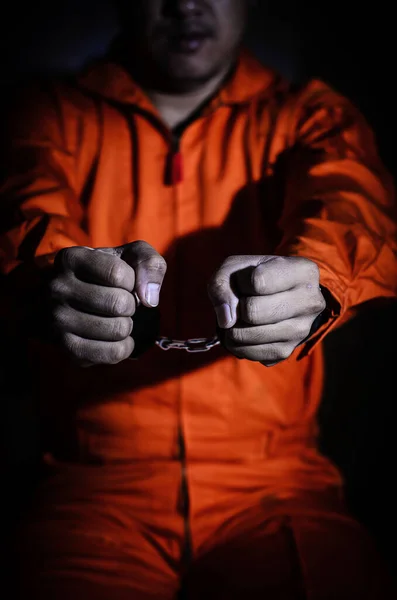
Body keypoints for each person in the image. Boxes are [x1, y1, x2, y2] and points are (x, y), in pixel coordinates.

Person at [1, 0, 396, 598]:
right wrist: (48, 278)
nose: (186, 3)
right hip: (91, 491)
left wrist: (318, 279)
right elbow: (22, 204)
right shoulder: (48, 116)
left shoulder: (311, 118)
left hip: (278, 487)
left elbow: (351, 207)